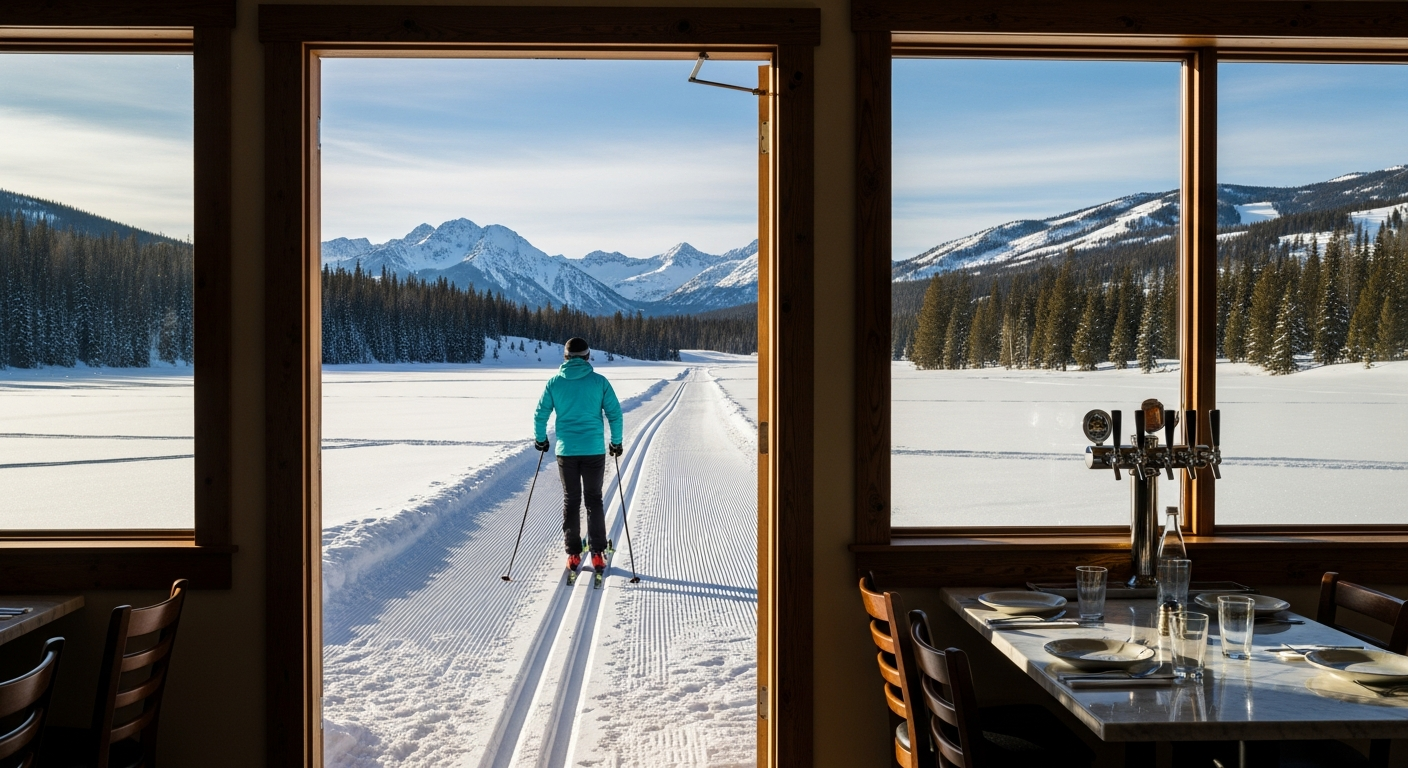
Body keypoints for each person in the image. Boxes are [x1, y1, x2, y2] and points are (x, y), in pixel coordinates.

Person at [533, 337, 623, 573]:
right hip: (594, 450)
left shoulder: (554, 383)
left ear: (566, 357)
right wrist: (616, 442)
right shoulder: (599, 382)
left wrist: (541, 439)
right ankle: (597, 553)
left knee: (571, 500)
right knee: (594, 499)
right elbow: (615, 414)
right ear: (587, 356)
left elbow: (540, 414)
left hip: (566, 452)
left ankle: (573, 554)